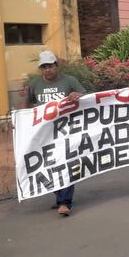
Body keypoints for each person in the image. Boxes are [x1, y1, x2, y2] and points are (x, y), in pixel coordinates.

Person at [22, 51, 86, 217]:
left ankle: (65, 202)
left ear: (56, 66)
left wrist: (77, 95)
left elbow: (87, 97)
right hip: (44, 133)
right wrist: (21, 121)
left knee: (66, 164)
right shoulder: (35, 84)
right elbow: (27, 105)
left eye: (50, 66)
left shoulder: (69, 81)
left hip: (67, 131)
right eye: (44, 67)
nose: (47, 70)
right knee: (49, 165)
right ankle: (60, 197)